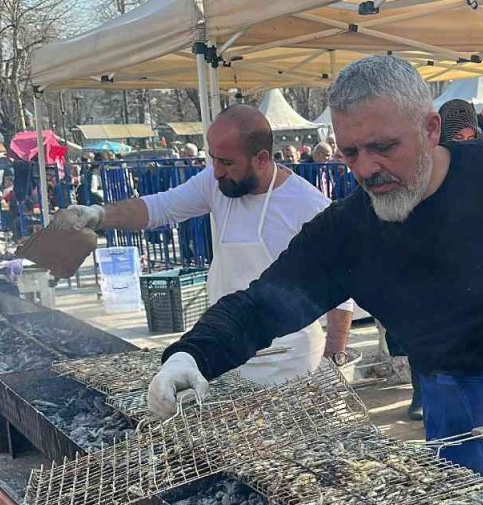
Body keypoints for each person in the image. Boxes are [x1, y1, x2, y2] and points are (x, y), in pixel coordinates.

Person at [143, 55, 483, 505]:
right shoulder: (347, 232)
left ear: (429, 129)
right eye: (351, 151)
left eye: (383, 147)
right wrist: (192, 356)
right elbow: (261, 304)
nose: (365, 168)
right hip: (450, 412)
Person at [49, 105, 354, 384]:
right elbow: (160, 207)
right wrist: (99, 214)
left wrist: (334, 360)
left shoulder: (309, 205)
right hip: (226, 349)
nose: (217, 170)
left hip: (288, 362)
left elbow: (341, 295)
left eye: (226, 162)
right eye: (213, 159)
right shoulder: (216, 183)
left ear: (262, 158)